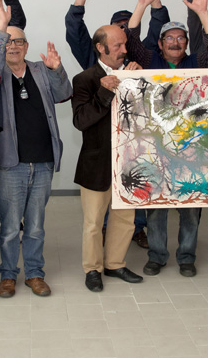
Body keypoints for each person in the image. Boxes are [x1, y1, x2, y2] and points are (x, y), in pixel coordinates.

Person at [121, 0, 208, 277]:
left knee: (190, 206)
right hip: (155, 147)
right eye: (170, 38)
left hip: (192, 147)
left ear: (186, 43)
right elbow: (131, 39)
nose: (176, 42)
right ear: (161, 43)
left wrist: (203, 14)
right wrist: (141, 5)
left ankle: (187, 256)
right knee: (157, 206)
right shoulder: (150, 61)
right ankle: (157, 255)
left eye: (181, 38)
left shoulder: (196, 64)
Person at [0, 0, 73, 297]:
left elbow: (63, 93)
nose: (13, 46)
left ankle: (35, 273)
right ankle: (8, 275)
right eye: (8, 42)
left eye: (19, 42)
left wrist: (56, 69)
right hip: (10, 164)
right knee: (10, 226)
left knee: (36, 225)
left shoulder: (39, 69)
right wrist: (1, 29)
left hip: (44, 161)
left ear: (26, 46)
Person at [72, 24, 144, 292]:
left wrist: (142, 82)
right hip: (96, 163)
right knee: (93, 222)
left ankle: (115, 264)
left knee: (125, 218)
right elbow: (81, 121)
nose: (124, 50)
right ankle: (92, 269)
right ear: (101, 48)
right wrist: (104, 92)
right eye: (118, 46)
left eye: (125, 44)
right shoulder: (84, 79)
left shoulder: (135, 74)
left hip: (129, 162)